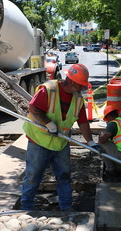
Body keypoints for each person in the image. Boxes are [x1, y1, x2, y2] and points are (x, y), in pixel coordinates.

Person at [21, 63, 101, 211]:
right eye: (81, 85)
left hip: (61, 143)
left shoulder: (77, 99)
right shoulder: (49, 89)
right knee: (33, 176)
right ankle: (27, 207)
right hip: (39, 141)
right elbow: (33, 108)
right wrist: (48, 123)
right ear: (71, 81)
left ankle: (66, 208)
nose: (83, 88)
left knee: (64, 176)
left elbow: (83, 122)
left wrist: (90, 142)